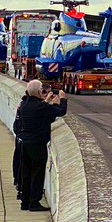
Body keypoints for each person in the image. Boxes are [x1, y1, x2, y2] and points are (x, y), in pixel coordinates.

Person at [16, 80, 67, 212]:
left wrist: (47, 101)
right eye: (42, 91)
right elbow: (61, 111)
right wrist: (62, 99)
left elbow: (41, 113)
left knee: (26, 173)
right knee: (37, 173)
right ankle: (34, 202)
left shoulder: (24, 105)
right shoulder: (41, 107)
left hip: (24, 143)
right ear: (39, 92)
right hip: (37, 144)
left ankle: (25, 202)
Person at [12, 90, 30, 199]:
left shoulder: (22, 104)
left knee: (18, 159)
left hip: (19, 133)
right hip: (23, 136)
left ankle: (17, 182)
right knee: (23, 164)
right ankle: (20, 186)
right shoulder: (27, 106)